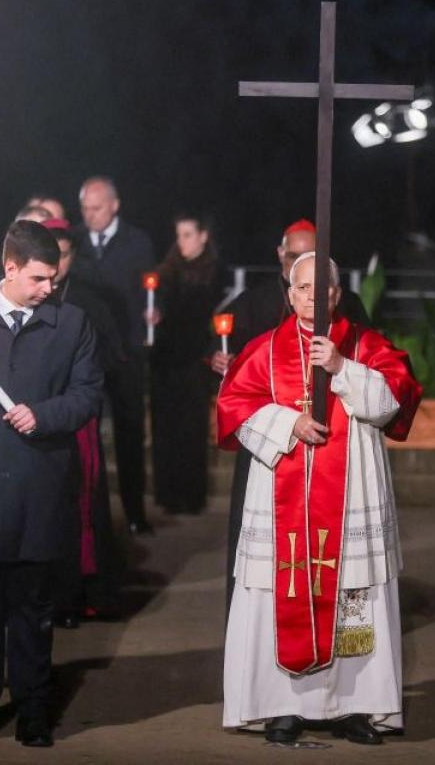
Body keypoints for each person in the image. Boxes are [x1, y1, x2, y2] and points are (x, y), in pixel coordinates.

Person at [218, 251, 421, 744]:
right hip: (281, 496)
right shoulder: (264, 350)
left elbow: (397, 399)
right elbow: (233, 406)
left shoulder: (366, 345)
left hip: (350, 494)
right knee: (279, 590)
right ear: (290, 295)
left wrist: (343, 367)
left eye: (322, 289)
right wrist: (288, 422)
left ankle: (353, 705)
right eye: (303, 288)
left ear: (337, 294)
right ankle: (282, 706)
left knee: (352, 591)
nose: (313, 297)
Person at [0, 221, 102, 747]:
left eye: (53, 277)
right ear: (9, 269)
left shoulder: (71, 323)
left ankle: (32, 710)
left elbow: (89, 394)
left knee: (32, 611)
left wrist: (44, 415)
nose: (49, 288)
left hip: (40, 490)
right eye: (38, 278)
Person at [210, 218, 369, 611]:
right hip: (271, 445)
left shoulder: (346, 304)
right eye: (295, 256)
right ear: (281, 255)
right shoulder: (254, 301)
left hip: (329, 441)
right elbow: (228, 363)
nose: (301, 265)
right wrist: (219, 359)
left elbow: (372, 362)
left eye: (311, 255)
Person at [46, 219, 123, 626]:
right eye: (50, 255)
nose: (57, 265)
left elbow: (113, 354)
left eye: (64, 255)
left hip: (78, 419)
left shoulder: (88, 301)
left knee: (82, 505)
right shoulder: (29, 299)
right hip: (38, 417)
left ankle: (84, 592)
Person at [72, 176, 156, 534]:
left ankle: (135, 512)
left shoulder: (138, 242)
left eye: (97, 208)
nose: (90, 215)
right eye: (85, 209)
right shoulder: (72, 242)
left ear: (115, 205)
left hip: (125, 354)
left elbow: (153, 288)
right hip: (84, 354)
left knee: (129, 433)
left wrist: (156, 309)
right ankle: (85, 517)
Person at [150, 213, 222, 514]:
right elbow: (156, 301)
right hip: (166, 358)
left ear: (203, 236)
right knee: (165, 426)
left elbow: (202, 311)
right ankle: (167, 495)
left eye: (188, 235)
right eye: (179, 235)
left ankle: (192, 496)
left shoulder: (214, 270)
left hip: (195, 358)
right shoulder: (168, 270)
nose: (182, 242)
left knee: (191, 429)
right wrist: (153, 314)